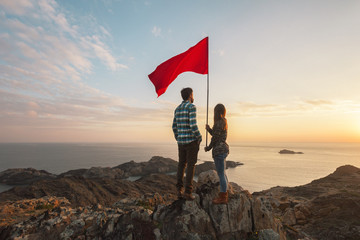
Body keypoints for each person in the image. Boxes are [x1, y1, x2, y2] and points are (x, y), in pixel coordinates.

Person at [172, 87, 202, 200]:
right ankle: (188, 192)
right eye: (193, 94)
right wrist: (199, 137)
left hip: (181, 142)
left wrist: (178, 137)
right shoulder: (192, 107)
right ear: (190, 95)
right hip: (191, 142)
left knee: (181, 165)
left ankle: (179, 190)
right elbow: (193, 125)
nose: (193, 96)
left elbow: (174, 126)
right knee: (190, 165)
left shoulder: (177, 109)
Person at [204, 104, 230, 204]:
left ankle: (223, 196)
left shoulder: (219, 122)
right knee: (223, 173)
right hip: (223, 149)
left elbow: (215, 138)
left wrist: (208, 147)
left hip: (219, 151)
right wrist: (209, 129)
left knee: (221, 174)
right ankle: (225, 193)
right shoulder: (224, 121)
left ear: (217, 112)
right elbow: (216, 134)